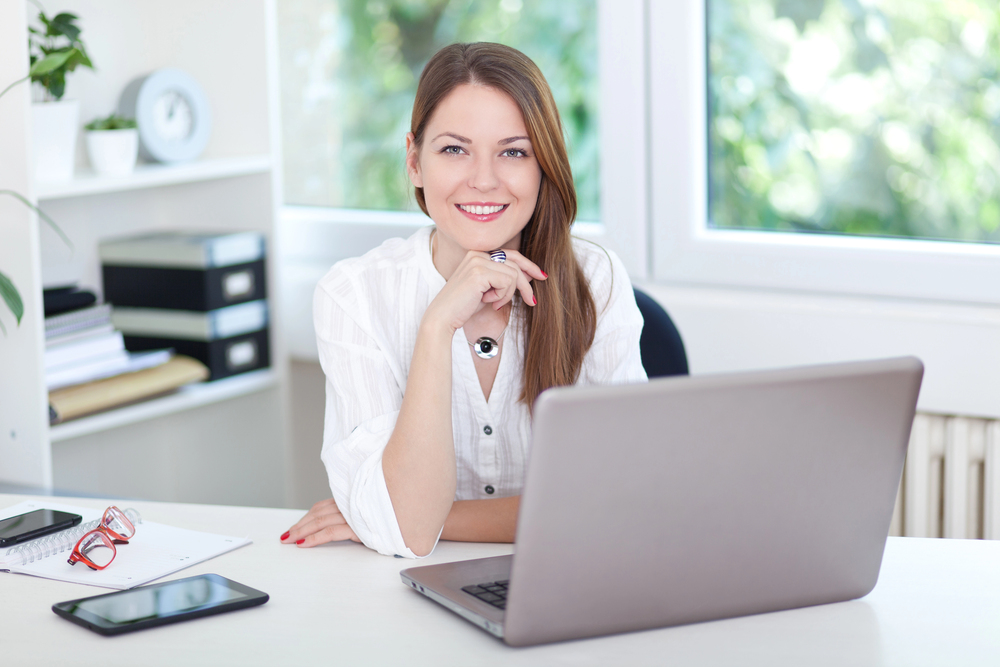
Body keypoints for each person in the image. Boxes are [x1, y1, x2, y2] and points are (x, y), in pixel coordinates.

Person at [281, 42, 646, 558]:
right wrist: (437, 327)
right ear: (414, 161)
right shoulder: (354, 296)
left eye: (513, 151)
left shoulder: (597, 280)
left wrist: (426, 516)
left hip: (574, 576)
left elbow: (623, 499)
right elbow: (411, 535)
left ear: (544, 165)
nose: (483, 179)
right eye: (454, 149)